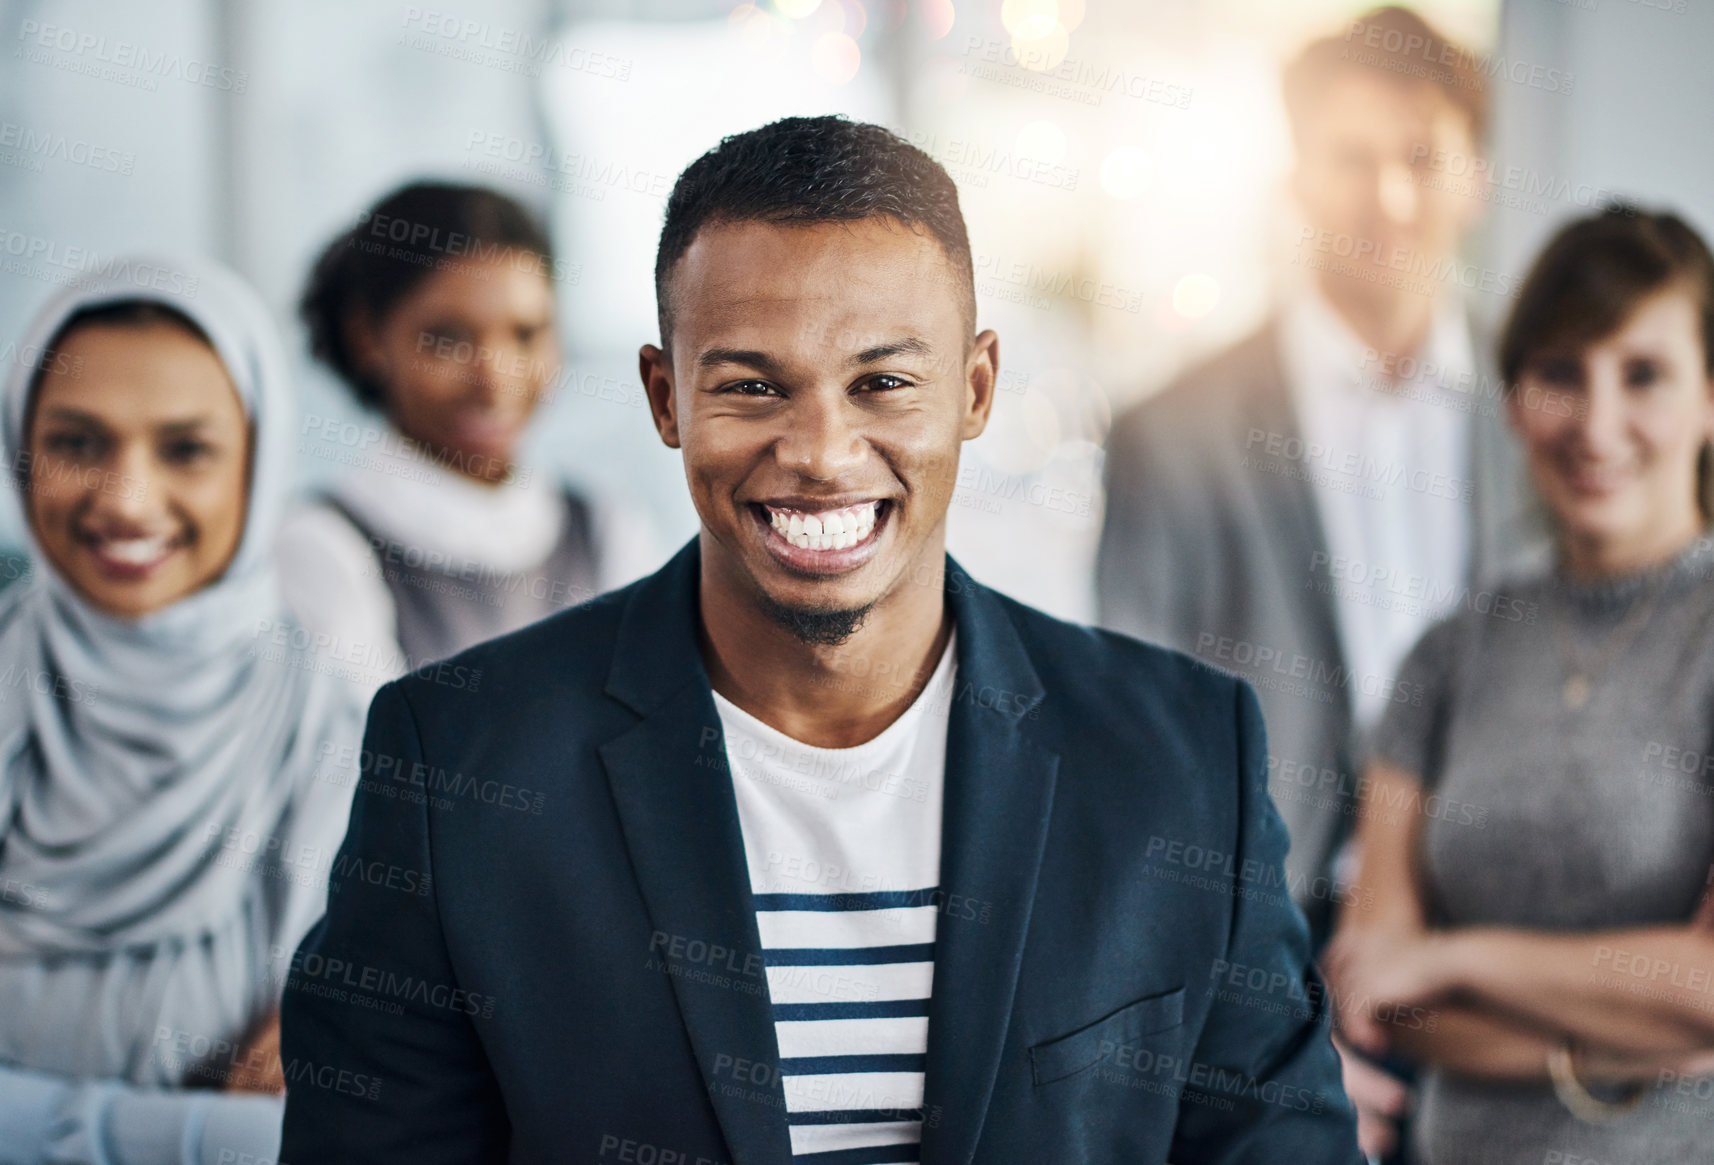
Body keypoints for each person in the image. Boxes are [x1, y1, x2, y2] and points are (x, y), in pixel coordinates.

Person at [279, 116, 1363, 1162]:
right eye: (751, 386)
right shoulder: (457, 757)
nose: (821, 452)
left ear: (976, 388)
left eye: (883, 383)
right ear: (666, 398)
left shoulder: (1180, 753)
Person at [1094, 7, 1549, 1155]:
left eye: (1420, 156)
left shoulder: (1553, 422)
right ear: (1296, 176)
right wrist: (1268, 1035)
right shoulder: (1173, 433)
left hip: (1505, 975)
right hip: (1263, 974)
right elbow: (1138, 768)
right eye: (1350, 157)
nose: (1386, 196)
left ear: (1474, 176)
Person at [1325, 206, 1714, 1163]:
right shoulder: (1450, 655)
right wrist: (1630, 1042)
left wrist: (1457, 955)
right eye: (1559, 373)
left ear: (1710, 394)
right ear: (1509, 399)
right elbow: (1378, 984)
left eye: (1644, 374)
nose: (1598, 421)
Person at [0, 259, 365, 1164]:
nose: (126, 498)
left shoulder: (350, 744)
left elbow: (362, 1123)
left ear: (258, 461)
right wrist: (202, 1134)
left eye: (185, 449)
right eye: (77, 442)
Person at [279, 181, 660, 696]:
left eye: (526, 335)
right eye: (449, 340)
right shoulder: (321, 548)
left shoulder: (606, 530)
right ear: (366, 338)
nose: (495, 381)